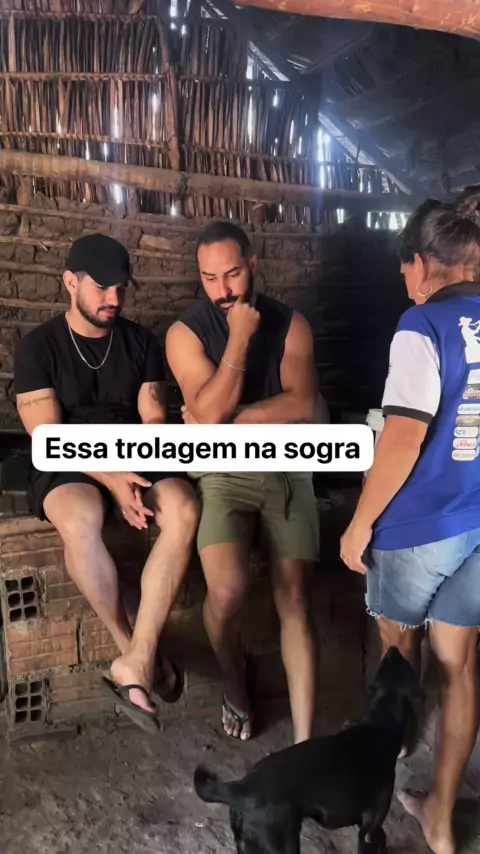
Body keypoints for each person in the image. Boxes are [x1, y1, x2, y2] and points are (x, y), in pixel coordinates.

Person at [340, 190, 480, 854]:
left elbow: (400, 439)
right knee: (460, 667)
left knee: (397, 650)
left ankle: (388, 755)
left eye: (404, 268)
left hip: (420, 528)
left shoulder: (421, 325)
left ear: (423, 263)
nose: (404, 280)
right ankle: (442, 819)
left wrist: (359, 524)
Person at [13, 233, 200, 733]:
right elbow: (47, 436)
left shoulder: (141, 343)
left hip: (135, 452)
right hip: (67, 458)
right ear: (70, 283)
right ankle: (135, 655)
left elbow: (153, 421)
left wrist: (129, 474)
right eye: (101, 288)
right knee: (82, 516)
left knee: (183, 508)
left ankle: (135, 664)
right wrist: (111, 479)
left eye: (121, 288)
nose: (113, 299)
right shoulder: (38, 347)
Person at [165, 220, 320, 745]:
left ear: (253, 265)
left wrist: (224, 417)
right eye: (210, 278)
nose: (223, 289)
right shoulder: (185, 333)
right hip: (220, 472)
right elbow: (207, 417)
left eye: (232, 273)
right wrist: (238, 338)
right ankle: (236, 683)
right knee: (227, 590)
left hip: (287, 464)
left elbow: (302, 403)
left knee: (294, 599)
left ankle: (304, 743)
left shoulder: (292, 324)